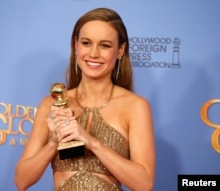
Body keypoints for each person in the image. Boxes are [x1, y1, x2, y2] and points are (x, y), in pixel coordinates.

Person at [14, 7, 155, 191]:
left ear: (120, 50)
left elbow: (144, 183)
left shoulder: (135, 106)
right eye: (86, 43)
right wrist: (53, 143)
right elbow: (21, 181)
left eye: (105, 45)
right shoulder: (51, 104)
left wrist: (92, 143)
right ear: (76, 45)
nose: (94, 53)